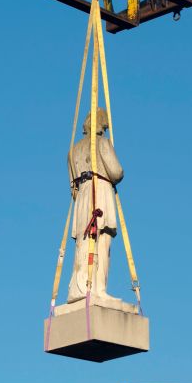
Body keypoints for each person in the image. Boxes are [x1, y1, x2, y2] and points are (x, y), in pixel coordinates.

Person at [67, 107, 123, 303]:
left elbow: (72, 185)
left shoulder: (73, 151)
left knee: (84, 241)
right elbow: (116, 172)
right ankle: (98, 288)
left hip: (82, 196)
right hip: (100, 191)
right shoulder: (101, 143)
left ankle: (80, 285)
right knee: (102, 240)